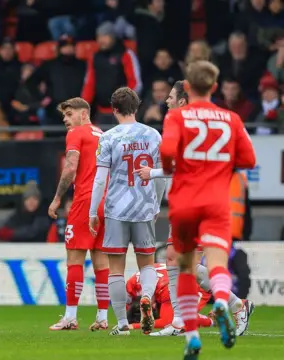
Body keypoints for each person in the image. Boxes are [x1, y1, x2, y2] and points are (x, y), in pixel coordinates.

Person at [136, 81, 255, 338]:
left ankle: (236, 305)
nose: (166, 101)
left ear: (182, 100)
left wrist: (153, 173)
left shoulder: (185, 124)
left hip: (197, 203)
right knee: (174, 258)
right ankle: (181, 319)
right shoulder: (218, 121)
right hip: (188, 203)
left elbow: (180, 165)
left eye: (170, 97)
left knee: (188, 262)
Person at [88, 87, 165, 336]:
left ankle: (122, 324)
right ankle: (146, 297)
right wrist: (156, 204)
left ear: (114, 109)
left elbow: (100, 179)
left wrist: (92, 211)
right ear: (137, 106)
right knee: (147, 264)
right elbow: (162, 176)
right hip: (144, 208)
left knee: (115, 269)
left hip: (116, 210)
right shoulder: (154, 135)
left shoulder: (108, 137)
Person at [46, 98, 110, 331]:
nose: (66, 119)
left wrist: (56, 199)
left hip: (85, 201)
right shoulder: (103, 134)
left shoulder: (77, 133)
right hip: (106, 203)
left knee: (74, 259)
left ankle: (70, 317)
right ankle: (103, 317)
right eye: (64, 116)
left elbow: (71, 167)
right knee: (101, 262)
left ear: (84, 114)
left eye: (70, 114)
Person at [126, 263, 214, 331]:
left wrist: (132, 326)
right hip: (186, 275)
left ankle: (212, 321)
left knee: (181, 318)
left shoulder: (163, 288)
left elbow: (167, 322)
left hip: (196, 285)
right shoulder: (132, 282)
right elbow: (125, 305)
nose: (152, 307)